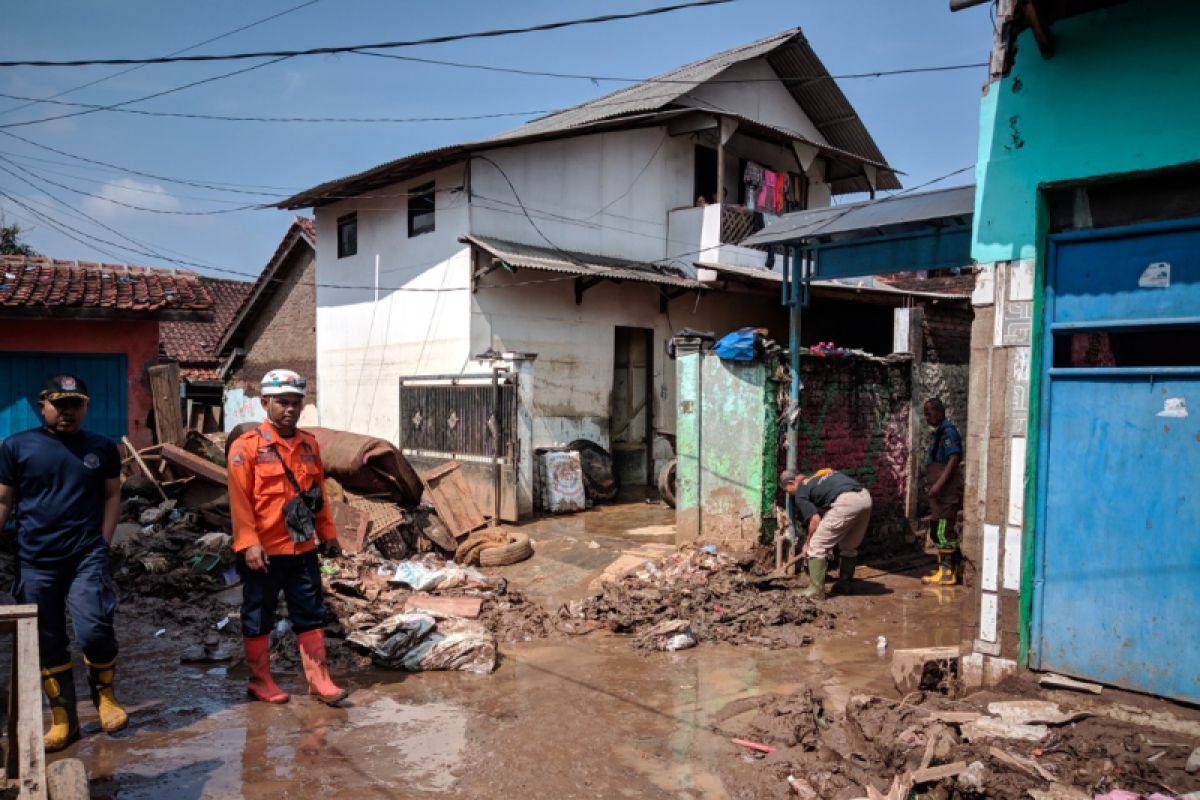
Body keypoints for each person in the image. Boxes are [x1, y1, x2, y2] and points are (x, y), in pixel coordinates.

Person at [0, 375, 128, 751]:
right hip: (37, 560)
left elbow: (111, 496)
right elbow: (4, 501)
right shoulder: (16, 447)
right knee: (48, 638)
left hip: (86, 556)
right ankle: (64, 719)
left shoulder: (102, 448)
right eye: (59, 404)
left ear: (85, 406)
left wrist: (103, 542)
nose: (67, 411)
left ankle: (104, 697)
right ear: (43, 405)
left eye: (75, 404)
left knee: (94, 629)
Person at [226, 369, 347, 705]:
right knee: (258, 613)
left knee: (310, 611)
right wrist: (249, 543)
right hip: (262, 551)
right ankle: (260, 679)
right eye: (282, 402)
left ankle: (319, 679)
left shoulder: (309, 445)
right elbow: (239, 501)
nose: (290, 409)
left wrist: (328, 533)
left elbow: (316, 494)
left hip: (302, 546)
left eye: (296, 402)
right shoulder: (246, 448)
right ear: (265, 402)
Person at [784, 468, 873, 600]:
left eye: (787, 490)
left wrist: (808, 543)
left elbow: (815, 520)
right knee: (849, 545)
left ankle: (816, 590)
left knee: (816, 546)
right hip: (865, 497)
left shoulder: (801, 492)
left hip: (846, 502)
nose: (788, 494)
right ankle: (845, 584)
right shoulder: (820, 473)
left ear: (792, 482)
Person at [922, 398, 964, 585]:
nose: (927, 418)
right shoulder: (938, 433)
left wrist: (939, 484)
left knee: (941, 530)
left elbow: (954, 458)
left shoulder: (948, 433)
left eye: (929, 414)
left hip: (946, 492)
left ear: (939, 412)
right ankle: (949, 567)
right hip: (940, 493)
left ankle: (947, 572)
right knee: (939, 528)